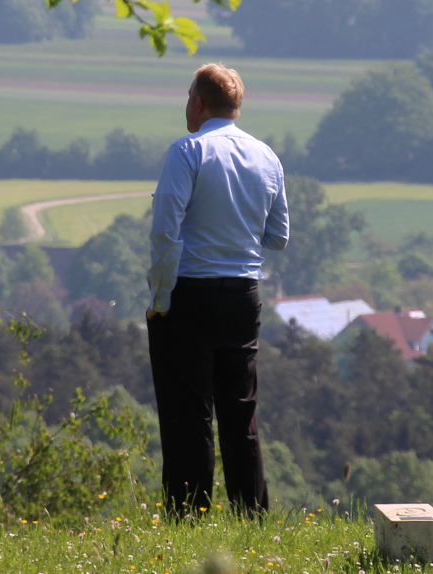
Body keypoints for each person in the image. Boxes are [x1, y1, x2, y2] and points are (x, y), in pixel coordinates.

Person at [146, 63, 288, 518]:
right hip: (244, 295)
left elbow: (165, 233)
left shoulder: (186, 151)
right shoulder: (267, 157)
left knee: (188, 415)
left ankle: (187, 518)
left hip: (189, 294)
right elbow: (279, 234)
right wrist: (239, 234)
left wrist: (160, 298)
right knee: (240, 415)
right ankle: (253, 518)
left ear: (198, 102)